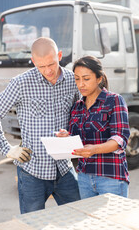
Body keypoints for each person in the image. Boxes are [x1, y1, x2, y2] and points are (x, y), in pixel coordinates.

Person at [0, 37, 81, 214]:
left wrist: (72, 133)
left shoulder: (72, 80)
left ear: (59, 55)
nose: (48, 71)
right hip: (32, 172)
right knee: (32, 223)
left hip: (64, 169)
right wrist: (6, 148)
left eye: (51, 64)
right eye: (41, 66)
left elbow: (80, 115)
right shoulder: (20, 83)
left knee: (78, 216)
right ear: (34, 61)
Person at [57, 55, 130, 199]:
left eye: (86, 78)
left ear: (99, 78)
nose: (81, 84)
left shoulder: (114, 100)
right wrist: (66, 137)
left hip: (111, 177)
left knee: (113, 221)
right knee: (90, 222)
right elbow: (77, 139)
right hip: (84, 177)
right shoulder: (77, 107)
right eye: (77, 79)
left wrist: (94, 149)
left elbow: (120, 139)